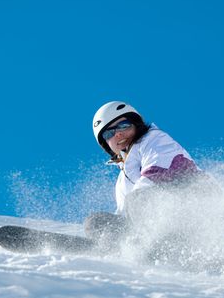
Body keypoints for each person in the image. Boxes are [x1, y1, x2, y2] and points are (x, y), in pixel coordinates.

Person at [84, 101, 202, 249]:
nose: (118, 133)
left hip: (195, 202)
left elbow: (158, 172)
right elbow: (125, 217)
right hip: (157, 223)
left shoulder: (154, 139)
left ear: (136, 124)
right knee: (96, 222)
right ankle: (119, 250)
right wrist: (108, 233)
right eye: (109, 133)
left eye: (123, 125)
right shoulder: (123, 180)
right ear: (106, 144)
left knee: (138, 199)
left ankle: (164, 246)